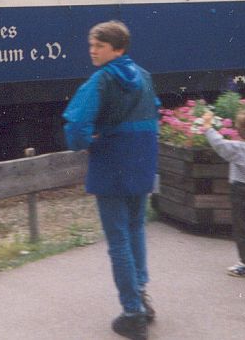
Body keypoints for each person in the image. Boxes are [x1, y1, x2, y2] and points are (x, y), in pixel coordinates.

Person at [63, 20, 159, 340]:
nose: (92, 51)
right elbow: (153, 114)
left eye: (99, 46)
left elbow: (76, 127)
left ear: (117, 49)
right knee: (136, 229)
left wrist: (85, 142)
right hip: (142, 163)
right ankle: (142, 297)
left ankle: (132, 313)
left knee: (118, 240)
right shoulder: (144, 76)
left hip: (112, 163)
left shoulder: (101, 80)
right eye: (91, 45)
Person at [201, 109, 245, 277]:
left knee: (244, 229)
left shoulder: (239, 148)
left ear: (239, 130)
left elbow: (219, 144)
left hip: (243, 192)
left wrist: (208, 127)